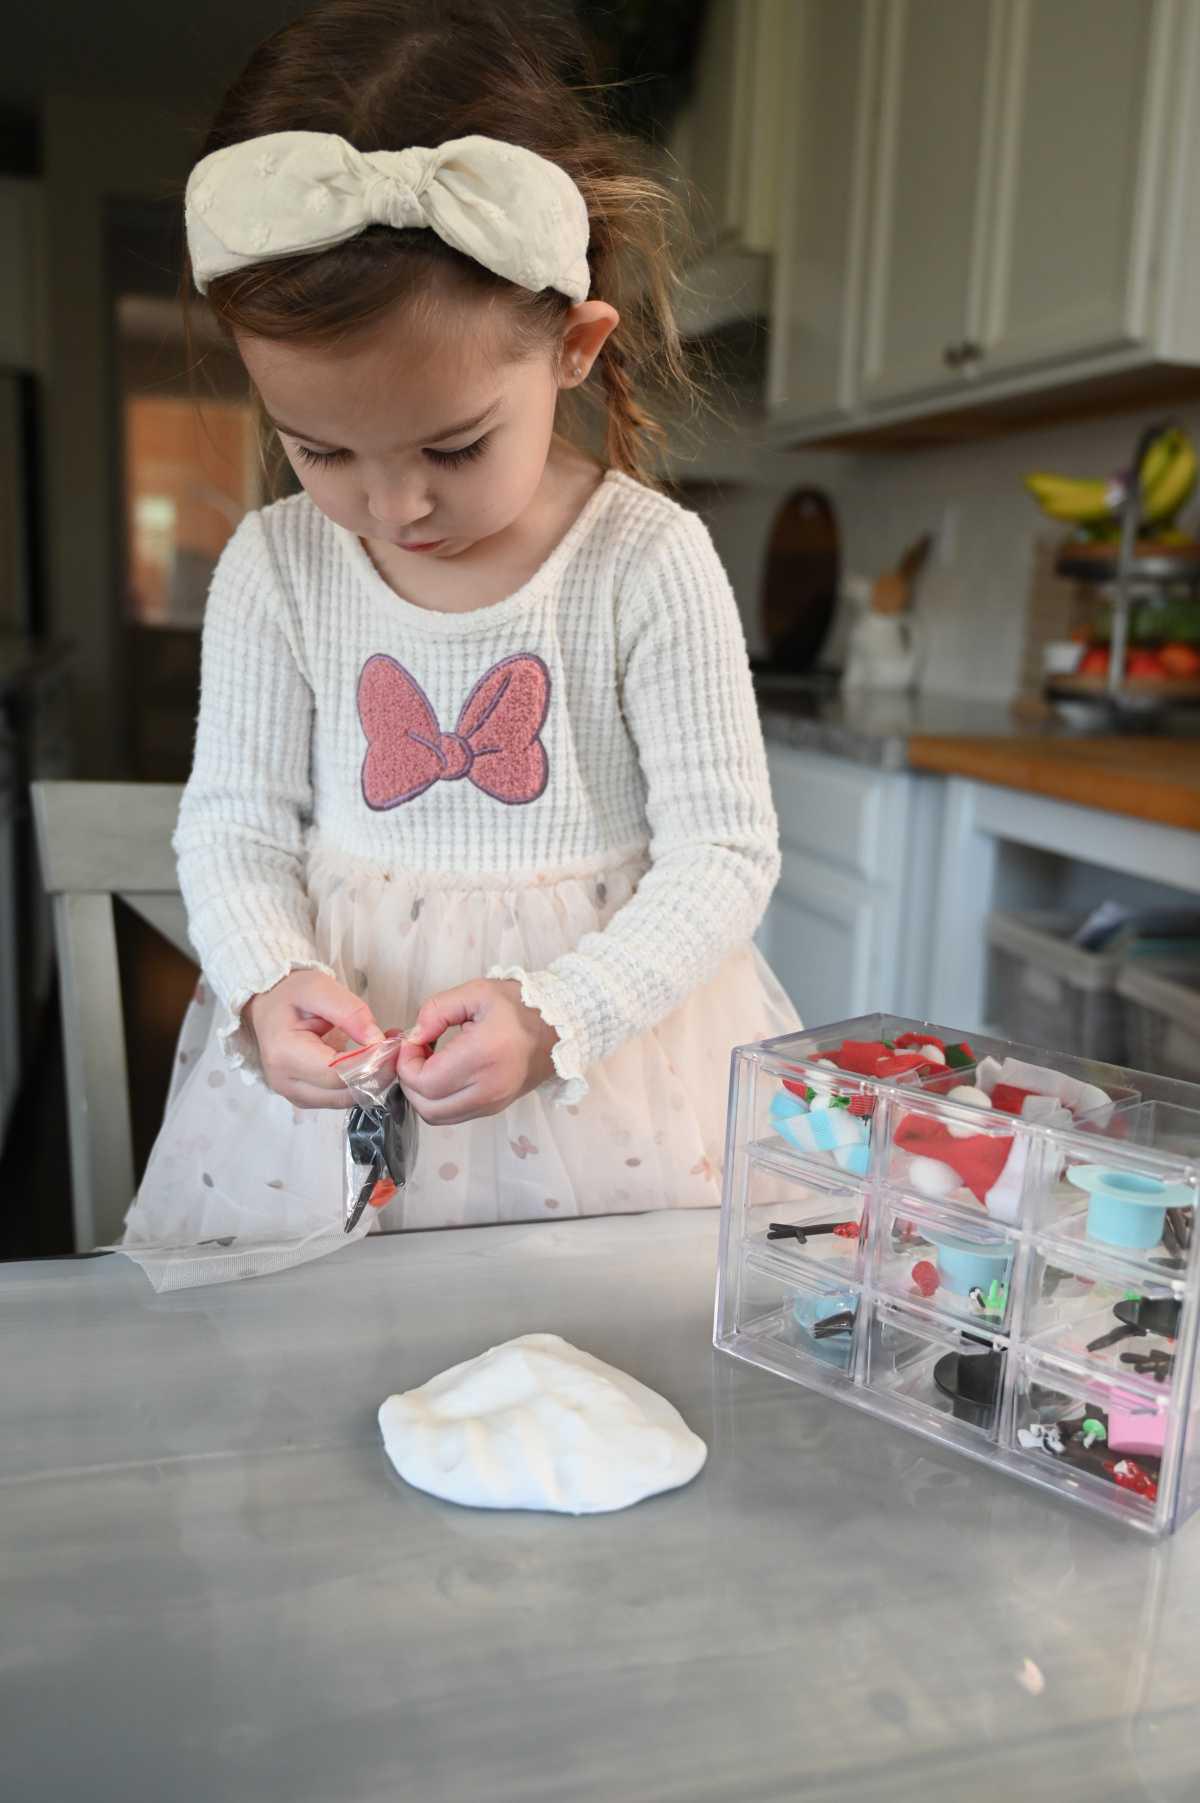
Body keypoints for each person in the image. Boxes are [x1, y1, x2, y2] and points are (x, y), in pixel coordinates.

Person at [123, 0, 798, 1280]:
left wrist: (560, 1015)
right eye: (319, 449)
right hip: (336, 1109)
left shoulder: (643, 563)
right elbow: (232, 832)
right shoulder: (277, 568)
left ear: (574, 348)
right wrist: (268, 978)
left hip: (611, 1082)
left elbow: (724, 852)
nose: (395, 506)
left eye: (452, 445)